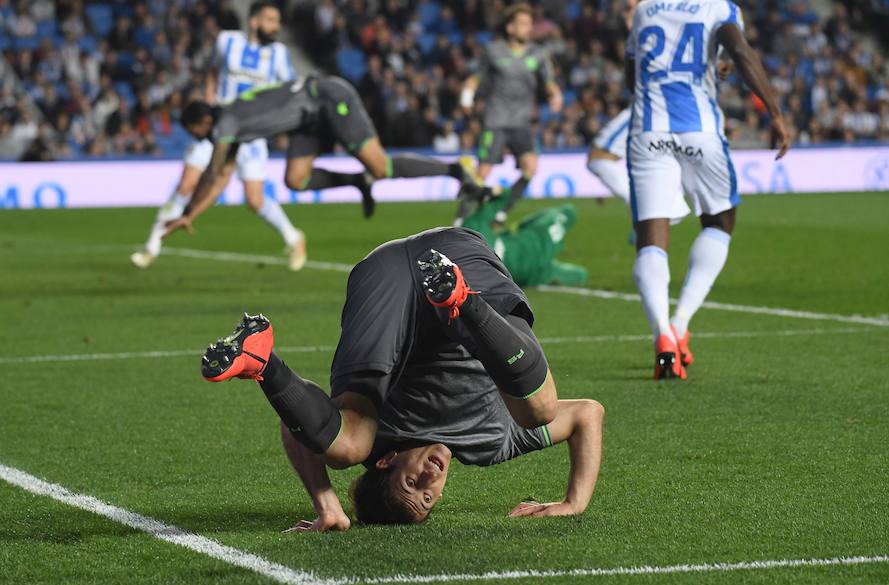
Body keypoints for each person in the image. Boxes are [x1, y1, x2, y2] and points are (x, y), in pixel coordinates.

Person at [198, 229, 605, 529]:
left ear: (387, 460)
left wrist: (328, 506)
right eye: (428, 497)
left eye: (412, 482)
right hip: (427, 261)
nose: (430, 479)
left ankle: (263, 362)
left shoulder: (374, 436)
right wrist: (574, 502)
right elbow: (589, 413)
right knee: (540, 408)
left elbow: (296, 430)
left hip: (393, 272)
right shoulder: (490, 445)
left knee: (347, 444)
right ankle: (461, 303)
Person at [625, 0, 790, 379]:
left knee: (651, 234)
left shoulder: (644, 10)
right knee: (720, 220)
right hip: (698, 130)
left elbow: (630, 78)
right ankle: (680, 324)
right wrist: (776, 113)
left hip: (648, 131)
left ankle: (661, 334)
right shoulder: (719, 8)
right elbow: (741, 52)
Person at [164, 78, 479, 243]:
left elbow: (214, 172)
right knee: (295, 180)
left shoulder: (225, 123)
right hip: (308, 120)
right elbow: (220, 176)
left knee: (381, 167)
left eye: (197, 133)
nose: (201, 139)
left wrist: (189, 211)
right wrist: (191, 215)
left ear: (202, 123)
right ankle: (357, 181)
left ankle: (455, 168)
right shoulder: (231, 119)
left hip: (328, 97)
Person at [131, 1, 306, 271]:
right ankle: (151, 245)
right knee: (187, 183)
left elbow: (290, 92)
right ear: (255, 21)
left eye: (278, 21)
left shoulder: (280, 54)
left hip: (252, 134)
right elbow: (213, 68)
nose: (276, 26)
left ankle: (294, 238)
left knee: (254, 200)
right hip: (217, 129)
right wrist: (210, 93)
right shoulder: (227, 41)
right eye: (271, 20)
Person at [459, 3, 563, 225]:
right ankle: (460, 219)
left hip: (521, 122)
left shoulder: (538, 53)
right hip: (496, 120)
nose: (528, 28)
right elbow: (475, 78)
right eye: (523, 24)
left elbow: (549, 82)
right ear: (510, 28)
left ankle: (502, 212)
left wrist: (556, 96)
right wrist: (467, 97)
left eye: (529, 24)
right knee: (482, 173)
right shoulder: (493, 51)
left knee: (531, 167)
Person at [460, 187, 587, 287]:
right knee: (567, 212)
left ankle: (551, 273)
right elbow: (505, 194)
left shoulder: (467, 241)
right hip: (532, 246)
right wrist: (489, 190)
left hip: (522, 277)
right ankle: (522, 227)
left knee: (579, 274)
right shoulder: (475, 224)